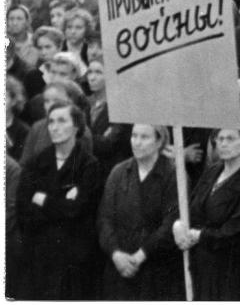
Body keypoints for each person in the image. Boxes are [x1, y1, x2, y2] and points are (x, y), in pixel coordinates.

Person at [174, 122, 240, 301]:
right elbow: (193, 207)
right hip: (203, 267)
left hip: (233, 273)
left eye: (231, 138)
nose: (223, 144)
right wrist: (179, 226)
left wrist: (197, 236)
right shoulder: (212, 171)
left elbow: (234, 232)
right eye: (220, 139)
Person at [17, 100, 102, 300]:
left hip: (74, 264)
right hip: (39, 259)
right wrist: (62, 202)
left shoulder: (89, 165)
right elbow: (24, 210)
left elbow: (78, 211)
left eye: (62, 121)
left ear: (76, 126)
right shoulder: (35, 163)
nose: (55, 127)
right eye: (51, 122)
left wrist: (43, 200)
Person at [97, 123, 184, 300]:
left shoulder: (173, 175)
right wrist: (116, 254)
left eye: (144, 137)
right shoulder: (119, 172)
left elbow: (170, 224)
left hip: (155, 270)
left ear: (159, 142)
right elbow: (104, 218)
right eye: (134, 136)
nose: (137, 142)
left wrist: (140, 256)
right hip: (118, 267)